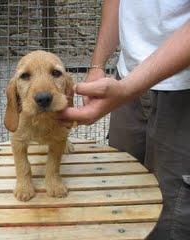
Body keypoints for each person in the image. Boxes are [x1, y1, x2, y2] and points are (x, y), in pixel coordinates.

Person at [59, 0, 190, 239]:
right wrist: (98, 65)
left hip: (183, 89)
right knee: (121, 196)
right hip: (126, 76)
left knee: (172, 216)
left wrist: (128, 88)